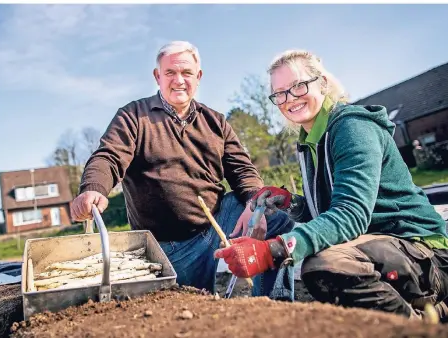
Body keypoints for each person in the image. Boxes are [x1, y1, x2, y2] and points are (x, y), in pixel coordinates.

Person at [214, 49, 448, 320]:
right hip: (380, 246)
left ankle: (420, 325)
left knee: (327, 265)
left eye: (298, 85)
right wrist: (292, 203)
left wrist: (273, 250)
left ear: (322, 83)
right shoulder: (310, 141)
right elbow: (330, 213)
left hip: (424, 251)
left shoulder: (352, 127)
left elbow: (351, 216)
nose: (290, 99)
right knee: (327, 260)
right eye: (280, 94)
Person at [70, 41, 293, 295]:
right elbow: (109, 156)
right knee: (190, 306)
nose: (179, 80)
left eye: (187, 73)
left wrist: (256, 205)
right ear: (157, 76)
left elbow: (242, 170)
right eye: (170, 73)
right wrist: (93, 188)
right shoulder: (134, 116)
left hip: (218, 221)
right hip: (171, 247)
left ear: (198, 77)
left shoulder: (216, 122)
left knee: (276, 218)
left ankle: (271, 307)